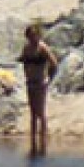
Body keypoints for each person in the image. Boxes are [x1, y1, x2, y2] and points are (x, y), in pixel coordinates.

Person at [20, 23, 59, 155]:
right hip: (30, 82)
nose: (31, 38)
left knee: (40, 112)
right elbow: (24, 62)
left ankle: (43, 139)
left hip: (40, 82)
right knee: (32, 112)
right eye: (29, 36)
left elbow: (54, 63)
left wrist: (49, 78)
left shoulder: (42, 48)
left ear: (37, 35)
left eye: (33, 35)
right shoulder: (26, 49)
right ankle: (33, 140)